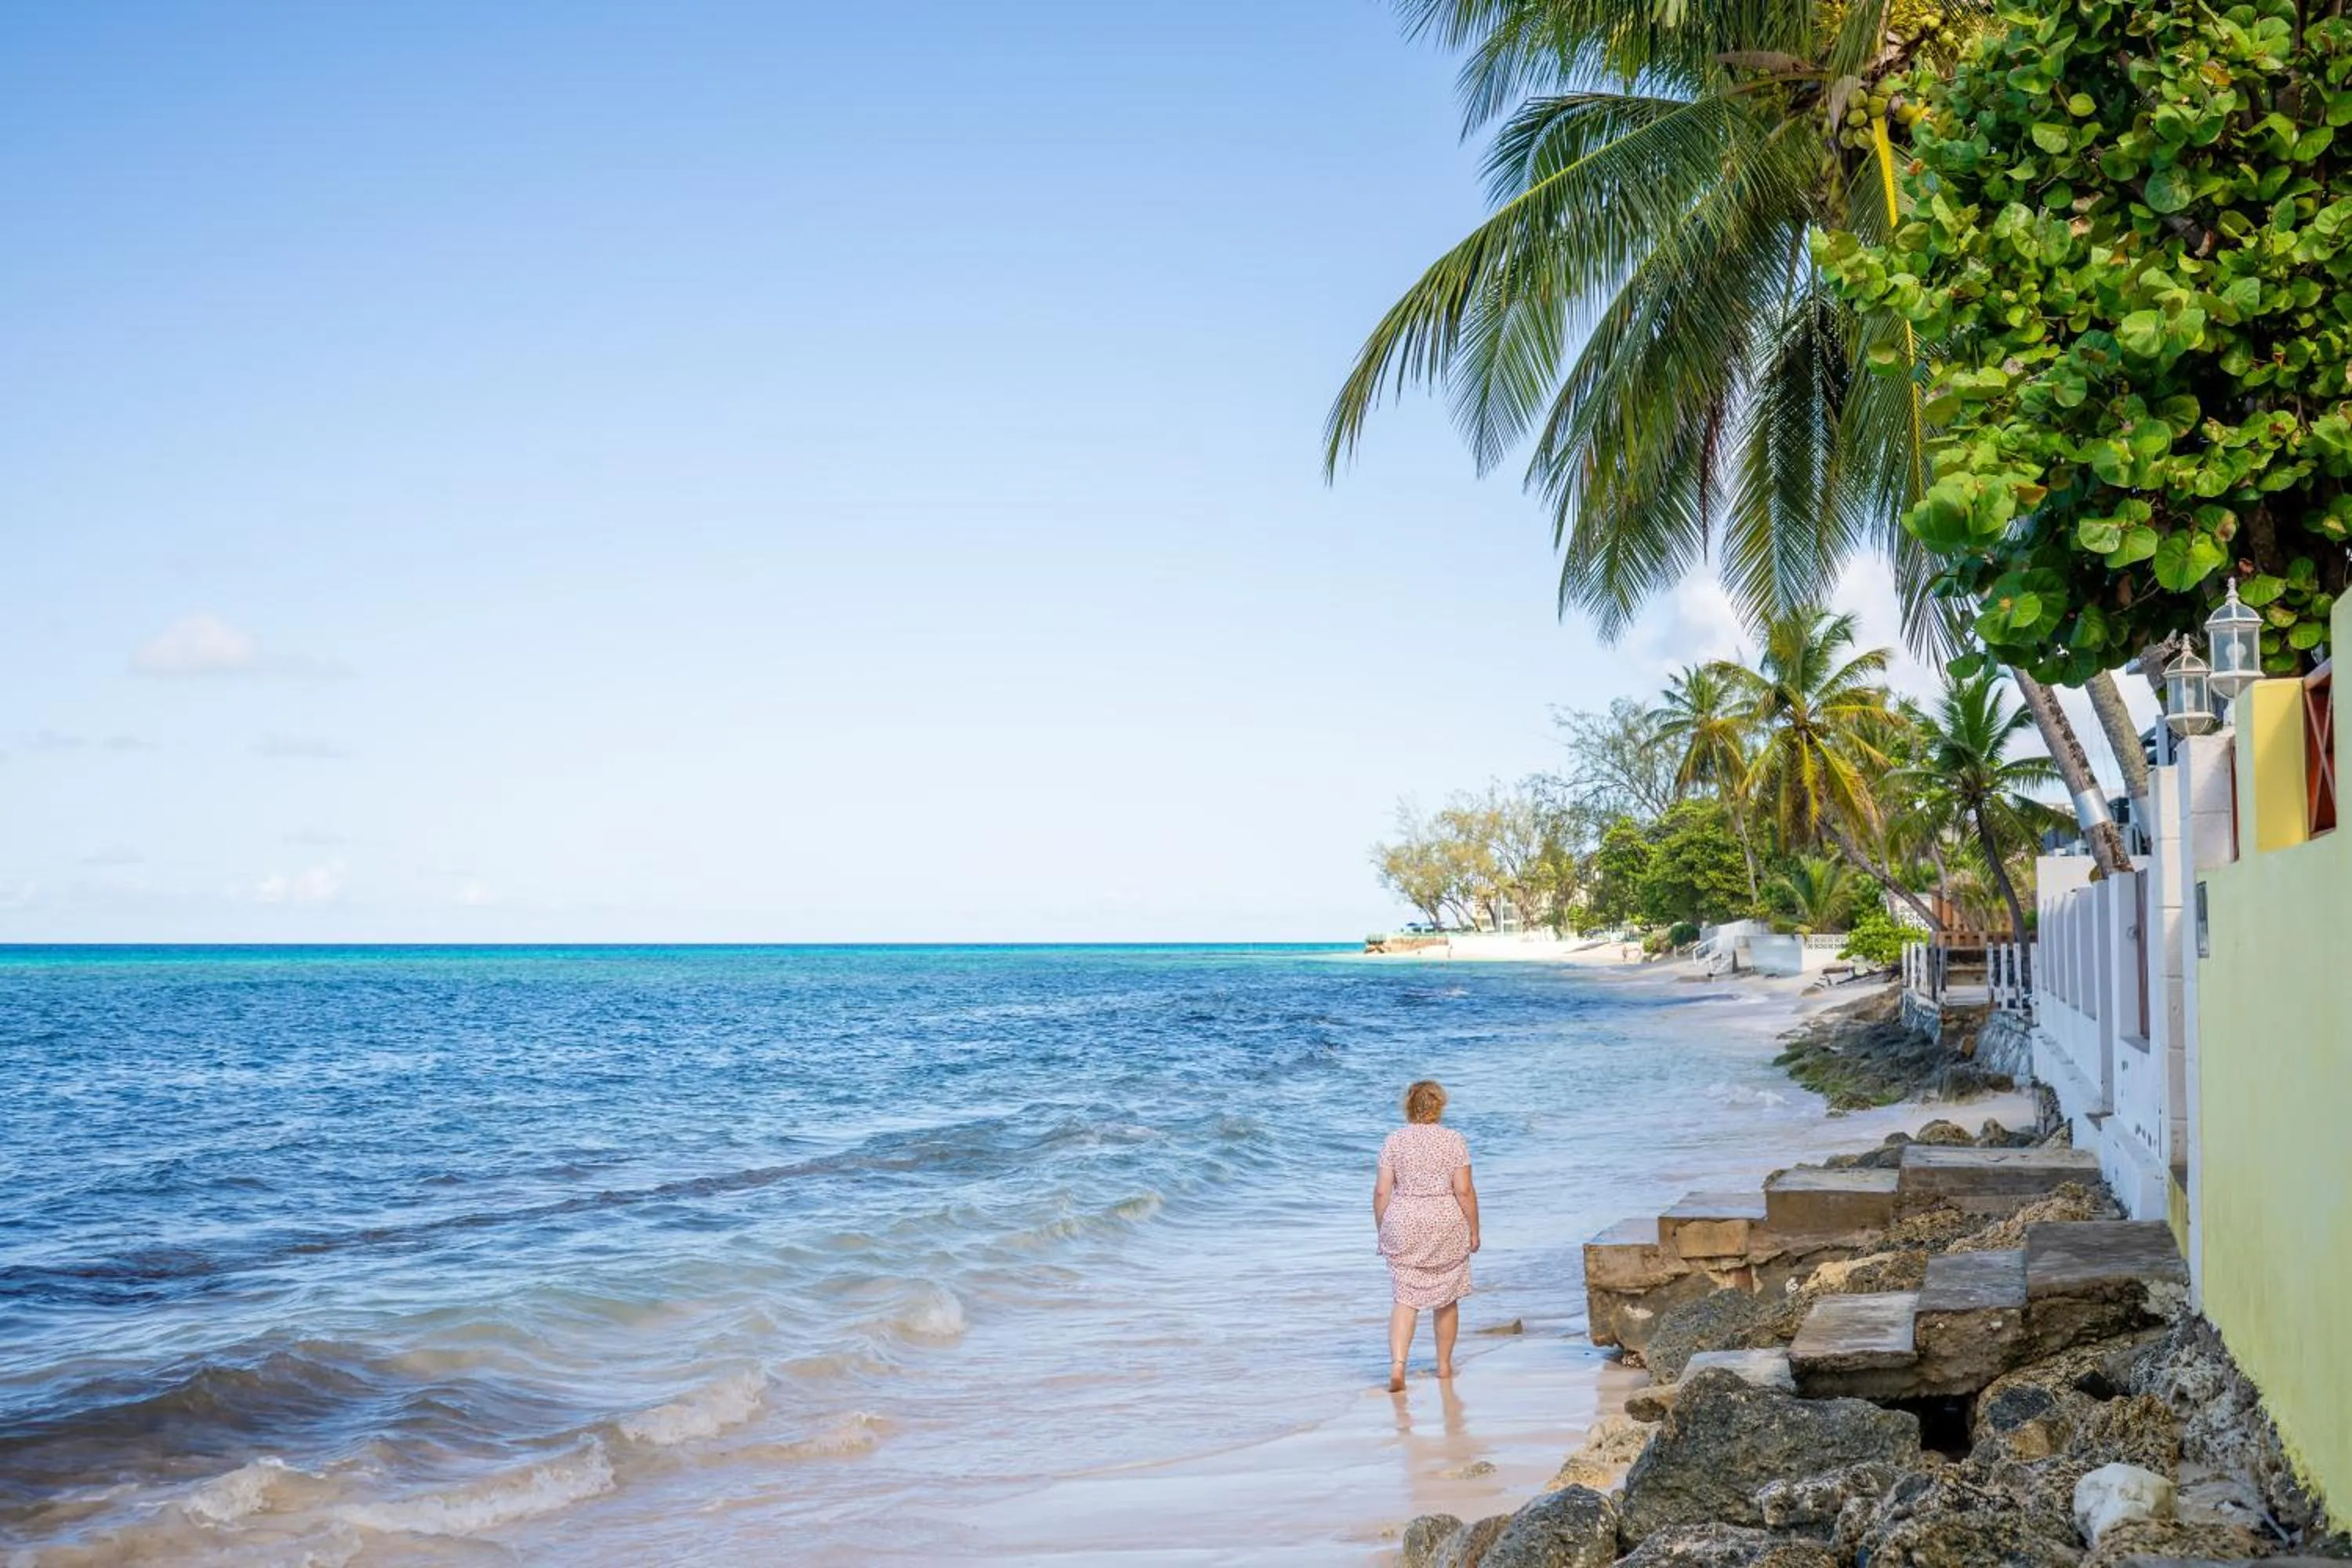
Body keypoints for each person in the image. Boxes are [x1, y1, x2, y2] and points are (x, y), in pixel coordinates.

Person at [1372, 1079, 1479, 1392]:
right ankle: (1444, 1367)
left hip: (1403, 1220)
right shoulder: (1453, 1140)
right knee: (1447, 1297)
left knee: (1405, 1298)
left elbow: (1382, 1191)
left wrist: (1383, 1229)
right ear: (1439, 1106)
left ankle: (1397, 1366)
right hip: (1445, 1223)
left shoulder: (1394, 1140)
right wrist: (1474, 1228)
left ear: (1408, 1106)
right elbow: (1464, 1190)